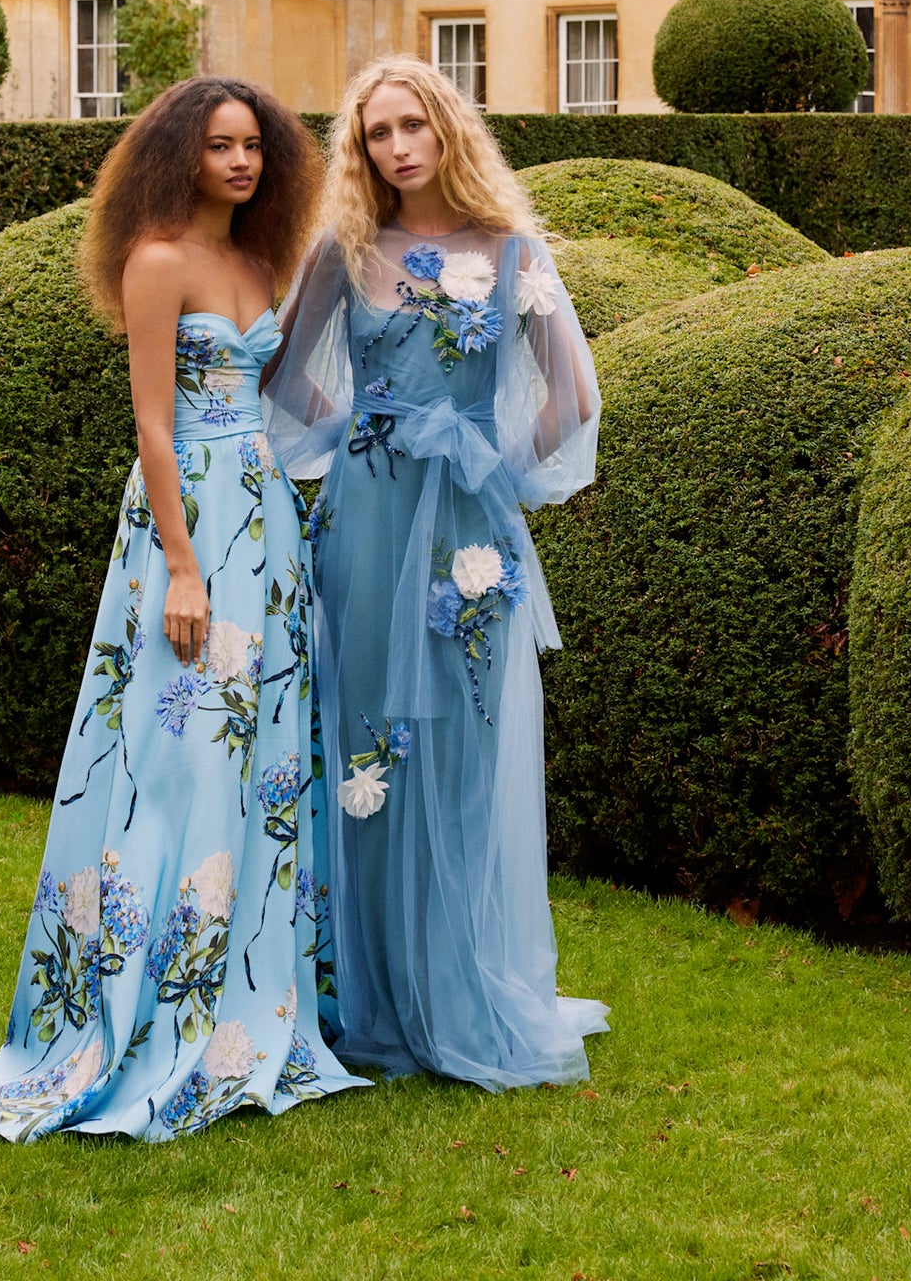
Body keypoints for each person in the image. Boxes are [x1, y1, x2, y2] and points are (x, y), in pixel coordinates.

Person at [0, 77, 367, 1141]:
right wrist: (178, 563)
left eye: (254, 146)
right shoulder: (156, 260)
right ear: (179, 155)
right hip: (189, 521)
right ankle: (140, 1011)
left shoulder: (264, 260)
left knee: (260, 757)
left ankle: (245, 1007)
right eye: (219, 147)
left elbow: (300, 394)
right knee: (176, 758)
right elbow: (154, 427)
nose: (241, 162)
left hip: (264, 519)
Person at [264, 56, 609, 1090]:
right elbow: (282, 374)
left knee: (460, 740)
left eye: (412, 124)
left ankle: (459, 984)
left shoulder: (508, 251)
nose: (397, 146)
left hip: (464, 529)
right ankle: (367, 995)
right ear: (359, 148)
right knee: (365, 742)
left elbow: (574, 392)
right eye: (376, 133)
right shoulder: (344, 247)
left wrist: (489, 464)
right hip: (366, 520)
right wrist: (368, 432)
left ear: (447, 130)